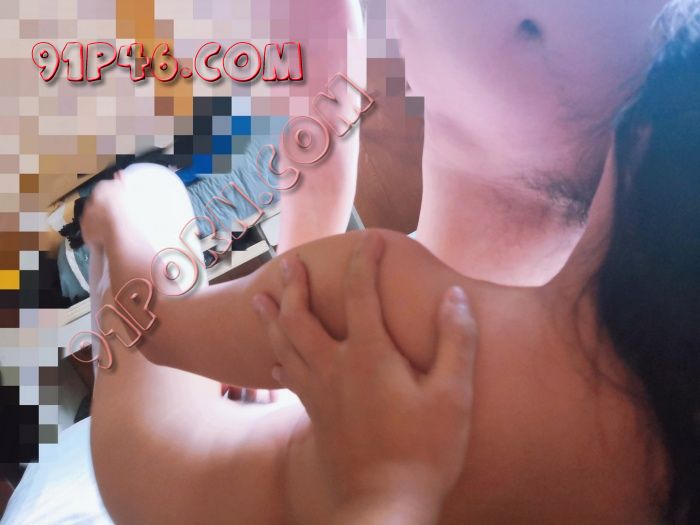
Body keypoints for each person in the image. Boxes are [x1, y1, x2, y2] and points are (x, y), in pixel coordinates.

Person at [82, 7, 700, 519]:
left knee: (144, 212)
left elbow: (162, 328)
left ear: (640, 136)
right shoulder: (655, 478)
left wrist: (133, 217)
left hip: (169, 480)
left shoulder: (412, 308)